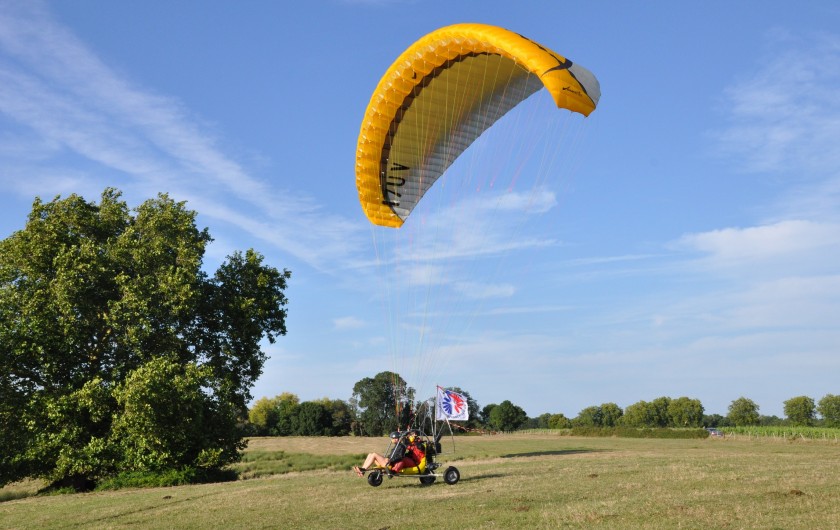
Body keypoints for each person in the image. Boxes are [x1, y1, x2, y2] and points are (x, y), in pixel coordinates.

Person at [352, 431, 425, 477]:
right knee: (370, 455)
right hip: (389, 461)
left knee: (374, 454)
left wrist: (390, 460)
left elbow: (400, 457)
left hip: (390, 463)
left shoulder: (401, 446)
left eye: (392, 438)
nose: (391, 440)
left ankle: (363, 470)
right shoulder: (397, 445)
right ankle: (362, 470)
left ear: (396, 439)